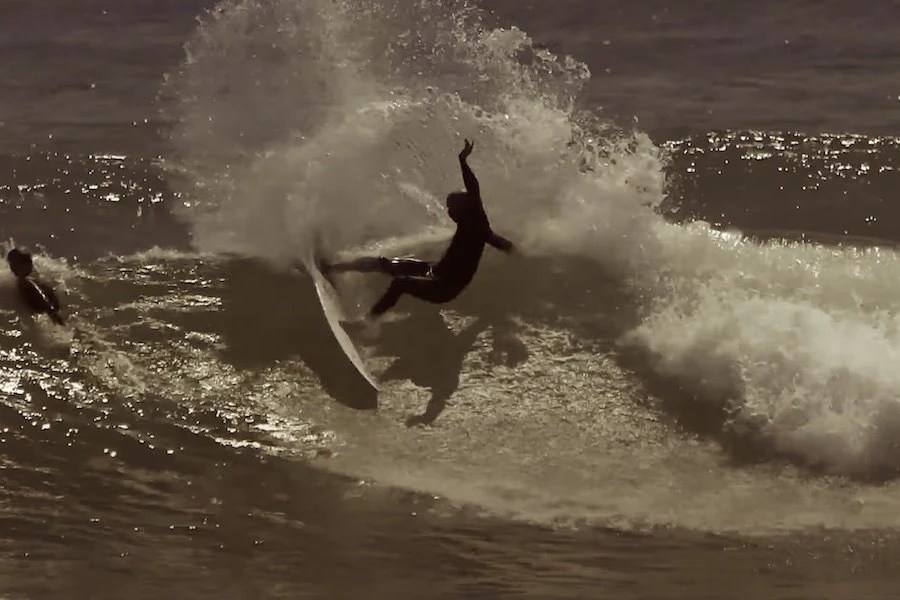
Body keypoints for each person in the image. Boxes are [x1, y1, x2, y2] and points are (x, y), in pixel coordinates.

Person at [325, 138, 514, 317]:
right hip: (434, 271)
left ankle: (368, 321)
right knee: (385, 264)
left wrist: (517, 253)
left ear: (465, 207)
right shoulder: (470, 217)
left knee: (401, 284)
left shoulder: (478, 226)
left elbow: (476, 194)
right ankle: (336, 268)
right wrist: (462, 160)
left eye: (451, 207)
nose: (449, 212)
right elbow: (474, 191)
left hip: (444, 287)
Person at [7, 248, 64, 325]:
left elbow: (42, 296)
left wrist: (51, 312)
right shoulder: (30, 279)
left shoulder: (26, 281)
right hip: (48, 310)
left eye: (15, 264)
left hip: (48, 310)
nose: (12, 268)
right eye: (11, 264)